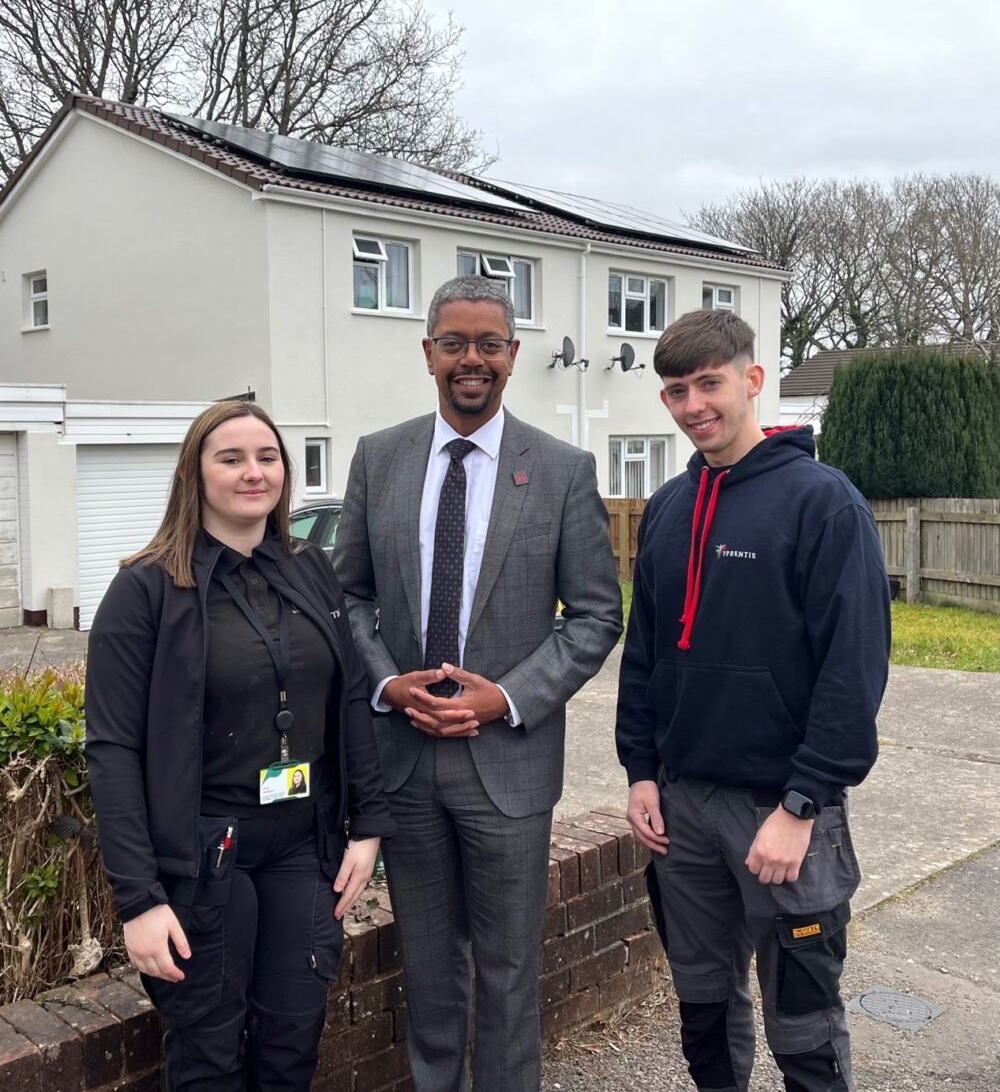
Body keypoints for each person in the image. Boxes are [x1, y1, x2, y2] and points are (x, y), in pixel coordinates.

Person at [333, 275, 622, 1092]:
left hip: (510, 763)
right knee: (427, 974)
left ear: (513, 354)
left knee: (505, 976)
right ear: (428, 353)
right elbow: (347, 596)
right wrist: (389, 685)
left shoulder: (562, 470)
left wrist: (509, 695)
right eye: (454, 342)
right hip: (406, 761)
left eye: (489, 343)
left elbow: (597, 615)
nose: (472, 359)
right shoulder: (378, 457)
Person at [616, 310, 891, 1092]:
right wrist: (641, 769)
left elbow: (853, 669)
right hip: (685, 808)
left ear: (753, 380)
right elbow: (645, 653)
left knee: (802, 1022)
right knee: (703, 1007)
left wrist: (802, 803)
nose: (694, 404)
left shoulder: (823, 502)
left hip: (782, 811)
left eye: (709, 383)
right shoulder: (669, 508)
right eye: (676, 390)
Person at [85, 400, 394, 1092]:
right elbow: (111, 749)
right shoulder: (146, 589)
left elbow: (348, 698)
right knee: (209, 1054)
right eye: (231, 458)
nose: (254, 472)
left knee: (292, 1041)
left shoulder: (311, 569)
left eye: (268, 456)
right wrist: (138, 899)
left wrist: (368, 825)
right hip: (202, 858)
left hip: (300, 848)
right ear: (196, 473)